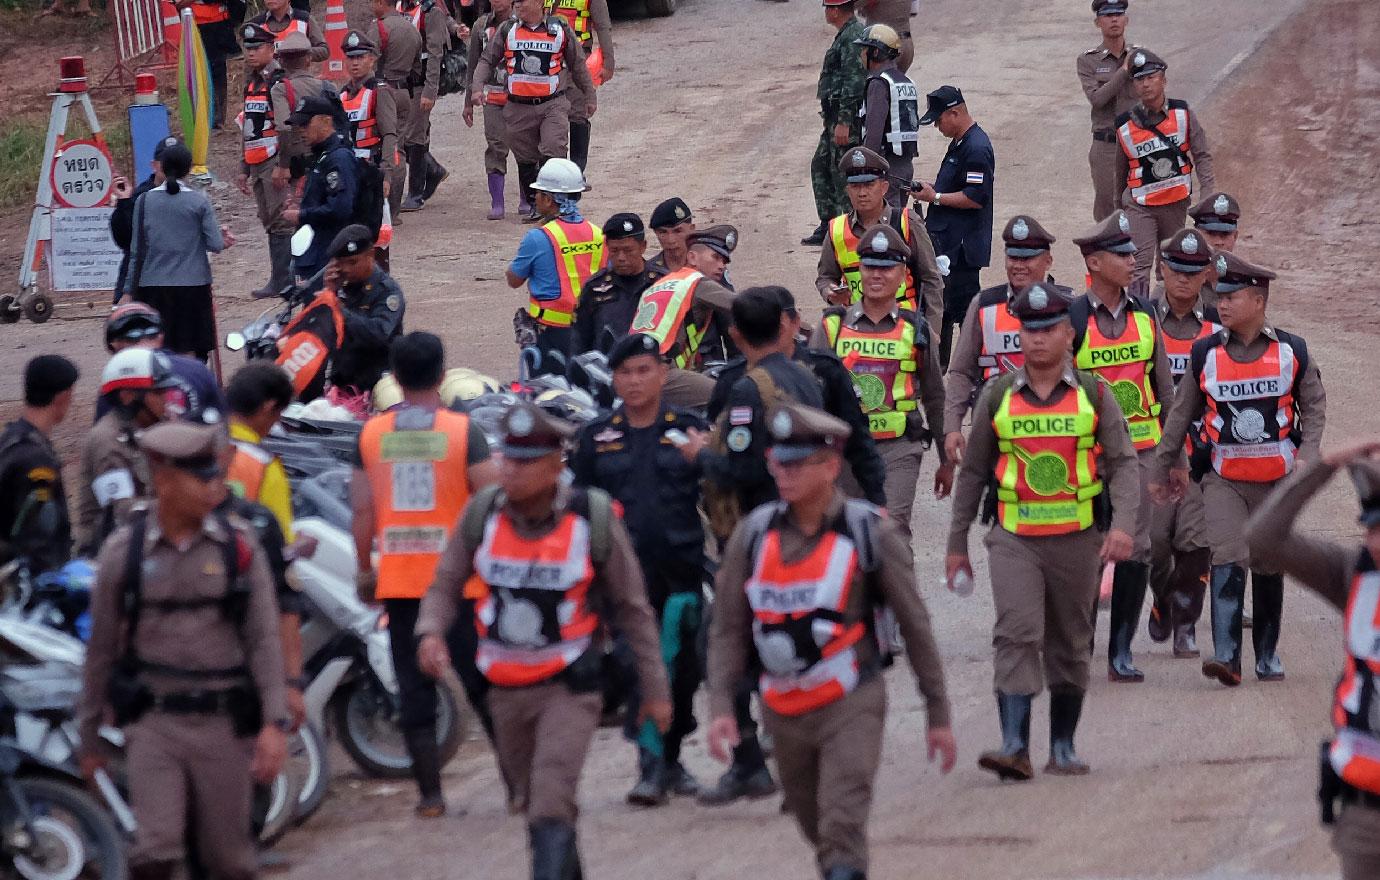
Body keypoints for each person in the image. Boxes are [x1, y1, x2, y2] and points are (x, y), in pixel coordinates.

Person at [416, 401, 670, 877]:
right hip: (504, 692)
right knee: (536, 805)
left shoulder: (589, 519)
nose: (511, 470)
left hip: (569, 688)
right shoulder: (482, 515)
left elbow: (633, 610)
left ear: (557, 465)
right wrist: (430, 631)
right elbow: (445, 583)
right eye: (507, 458)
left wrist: (655, 690)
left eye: (526, 461)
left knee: (551, 801)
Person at [707, 400, 955, 877]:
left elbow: (916, 625)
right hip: (781, 709)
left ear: (831, 466)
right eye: (778, 461)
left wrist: (938, 713)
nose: (784, 473)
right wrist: (721, 706)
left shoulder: (870, 534)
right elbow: (729, 627)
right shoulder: (753, 536)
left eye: (798, 463)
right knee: (814, 826)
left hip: (851, 703)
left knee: (841, 829)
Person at [77, 419, 289, 880]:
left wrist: (274, 723)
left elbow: (263, 639)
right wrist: (89, 737)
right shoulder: (123, 553)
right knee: (157, 849)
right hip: (154, 723)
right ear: (165, 478)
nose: (216, 487)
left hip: (223, 725)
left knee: (229, 861)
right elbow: (101, 651)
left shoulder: (238, 546)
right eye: (203, 477)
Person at [948, 282, 1139, 781]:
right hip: (1014, 538)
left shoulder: (1095, 394)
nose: (1036, 339)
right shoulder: (996, 396)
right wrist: (955, 544)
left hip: (1079, 540)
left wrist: (1122, 527)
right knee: (1017, 632)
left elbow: (1123, 464)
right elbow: (972, 474)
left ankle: (1062, 745)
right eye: (1028, 329)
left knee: (1071, 642)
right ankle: (1014, 745)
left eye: (1048, 329)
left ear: (1069, 333)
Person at [1150, 251, 1327, 686]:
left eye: (1232, 297)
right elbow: (1179, 414)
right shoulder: (1204, 352)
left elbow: (1314, 406)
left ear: (1259, 302)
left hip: (1276, 481)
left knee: (1268, 564)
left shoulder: (1292, 350)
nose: (1222, 304)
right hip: (1223, 479)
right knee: (1227, 556)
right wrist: (1164, 465)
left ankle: (1267, 655)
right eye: (1220, 296)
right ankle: (1227, 656)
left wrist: (1311, 452)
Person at [680, 291, 824, 808]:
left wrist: (700, 455)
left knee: (726, 649)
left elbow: (742, 469)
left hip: (758, 536)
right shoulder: (805, 377)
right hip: (802, 529)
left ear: (736, 335)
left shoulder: (747, 391)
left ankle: (749, 765)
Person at [352, 332, 498, 816]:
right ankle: (516, 784)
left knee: (413, 688)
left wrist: (363, 568)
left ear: (393, 378)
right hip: (462, 583)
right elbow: (489, 499)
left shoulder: (370, 435)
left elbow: (361, 510)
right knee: (483, 683)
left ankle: (431, 796)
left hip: (401, 583)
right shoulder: (463, 432)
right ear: (442, 375)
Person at [570, 333, 707, 805]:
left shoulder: (689, 430)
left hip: (682, 570)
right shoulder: (596, 437)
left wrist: (706, 457)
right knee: (638, 666)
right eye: (625, 373)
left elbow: (720, 493)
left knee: (685, 670)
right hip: (624, 579)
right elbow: (579, 506)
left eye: (644, 370)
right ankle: (650, 768)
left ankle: (671, 760)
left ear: (663, 373)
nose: (634, 381)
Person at [1245, 443, 1380, 880]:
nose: (1374, 542)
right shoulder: (1355, 575)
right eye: (1371, 528)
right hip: (1367, 815)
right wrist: (1325, 467)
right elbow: (1263, 538)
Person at [1069, 210, 1174, 682]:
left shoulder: (1147, 313)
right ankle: (1082, 640)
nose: (1134, 261)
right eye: (1123, 254)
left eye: (1134, 252)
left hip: (1143, 452)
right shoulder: (1070, 319)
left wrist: (1176, 457)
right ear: (1094, 262)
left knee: (1138, 549)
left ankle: (1120, 653)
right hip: (1087, 456)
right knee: (1088, 548)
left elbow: (1165, 389)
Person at [816, 224, 949, 538]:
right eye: (869, 267)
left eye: (887, 268)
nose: (877, 275)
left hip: (899, 449)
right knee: (843, 535)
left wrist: (946, 458)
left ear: (903, 274)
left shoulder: (916, 329)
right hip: (844, 451)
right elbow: (811, 394)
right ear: (859, 271)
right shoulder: (833, 325)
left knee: (891, 528)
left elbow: (935, 396)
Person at [711, 286, 888, 509]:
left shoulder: (820, 371)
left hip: (769, 511)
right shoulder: (735, 377)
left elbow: (858, 439)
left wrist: (699, 456)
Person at [1145, 229, 1219, 658]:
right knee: (1154, 543)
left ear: (1205, 275)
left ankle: (1186, 626)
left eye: (1193, 273)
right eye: (1176, 270)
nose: (1184, 281)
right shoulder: (1141, 319)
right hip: (1153, 449)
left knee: (1195, 542)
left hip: (1200, 452)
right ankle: (1162, 598)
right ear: (1162, 269)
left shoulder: (1216, 324)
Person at [942, 214, 1067, 464]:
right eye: (1013, 257)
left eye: (1028, 258)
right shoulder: (984, 305)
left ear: (1048, 261)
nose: (1018, 265)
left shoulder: (1069, 306)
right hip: (994, 428)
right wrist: (952, 426)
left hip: (1054, 426)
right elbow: (961, 372)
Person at [469, 0, 598, 222]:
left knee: (554, 148)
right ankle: (534, 204)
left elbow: (577, 65)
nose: (517, 5)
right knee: (526, 158)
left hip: (552, 104)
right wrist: (476, 88)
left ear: (539, 2)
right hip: (518, 107)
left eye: (522, 1)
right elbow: (486, 60)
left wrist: (589, 95)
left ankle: (559, 204)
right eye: (516, 2)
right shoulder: (508, 30)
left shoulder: (559, 29)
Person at [1113, 49, 1216, 294]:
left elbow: (1202, 155)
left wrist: (1208, 197)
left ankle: (1167, 317)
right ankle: (1139, 319)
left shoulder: (1183, 114)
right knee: (1139, 265)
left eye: (1151, 77)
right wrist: (1119, 208)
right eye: (1139, 79)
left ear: (1164, 80)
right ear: (1134, 86)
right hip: (1140, 205)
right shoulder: (1125, 126)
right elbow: (1120, 169)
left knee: (1173, 265)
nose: (1146, 84)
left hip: (1175, 203)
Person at [122, 142, 233, 363]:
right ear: (189, 169)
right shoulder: (199, 201)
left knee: (156, 348)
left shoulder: (144, 200)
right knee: (191, 350)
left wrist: (127, 291)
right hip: (193, 287)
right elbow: (215, 244)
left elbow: (136, 251)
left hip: (152, 287)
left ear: (161, 166)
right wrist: (222, 239)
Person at [816, 145, 944, 333]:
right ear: (847, 190)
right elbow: (825, 277)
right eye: (855, 186)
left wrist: (932, 333)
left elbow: (931, 279)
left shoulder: (906, 222)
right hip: (855, 330)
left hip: (904, 329)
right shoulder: (836, 229)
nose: (862, 193)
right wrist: (830, 292)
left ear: (883, 187)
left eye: (869, 185)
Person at [914, 85, 995, 366]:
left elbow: (975, 198)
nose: (937, 126)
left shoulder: (976, 148)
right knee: (944, 309)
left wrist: (934, 196)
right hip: (949, 243)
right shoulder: (961, 142)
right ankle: (942, 368)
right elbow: (955, 186)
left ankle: (975, 367)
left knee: (966, 313)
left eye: (939, 120)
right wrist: (932, 189)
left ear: (956, 112)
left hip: (962, 249)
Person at [75, 350, 176, 557]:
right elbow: (121, 512)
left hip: (144, 546)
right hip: (107, 556)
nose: (166, 399)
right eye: (158, 392)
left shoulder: (150, 429)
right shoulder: (107, 441)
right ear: (128, 396)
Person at [506, 158, 604, 370]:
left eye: (539, 194)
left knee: (547, 397)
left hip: (550, 333)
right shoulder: (598, 234)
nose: (535, 198)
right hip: (589, 331)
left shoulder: (538, 238)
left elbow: (514, 280)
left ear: (549, 200)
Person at [629, 225, 738, 409]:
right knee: (737, 397)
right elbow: (749, 307)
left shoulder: (665, 282)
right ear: (692, 257)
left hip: (635, 370)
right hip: (659, 372)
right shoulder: (697, 282)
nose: (721, 266)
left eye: (725, 262)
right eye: (716, 257)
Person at [0, 356, 79, 573]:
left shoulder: (11, 438)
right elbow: (38, 537)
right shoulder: (35, 460)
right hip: (26, 585)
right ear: (63, 396)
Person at [237, 24, 295, 300]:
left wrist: (284, 165)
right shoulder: (252, 82)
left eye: (256, 48)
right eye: (247, 49)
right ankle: (280, 278)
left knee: (282, 220)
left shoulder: (277, 81)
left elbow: (285, 128)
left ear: (271, 49)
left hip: (274, 160)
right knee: (270, 221)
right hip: (257, 160)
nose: (250, 54)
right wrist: (242, 168)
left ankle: (285, 280)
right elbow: (247, 127)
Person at [804, 0, 867, 247]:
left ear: (834, 10)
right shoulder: (847, 34)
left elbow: (854, 82)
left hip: (843, 120)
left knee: (841, 173)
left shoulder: (852, 36)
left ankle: (849, 227)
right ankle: (828, 224)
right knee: (821, 165)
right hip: (833, 118)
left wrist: (845, 122)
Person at [102, 303, 226, 424]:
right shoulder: (197, 369)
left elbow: (104, 435)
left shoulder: (116, 382)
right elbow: (223, 423)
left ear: (113, 346)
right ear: (160, 337)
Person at [283, 95, 359, 282]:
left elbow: (340, 209)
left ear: (326, 121)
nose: (301, 130)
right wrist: (300, 204)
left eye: (306, 124)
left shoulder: (338, 158)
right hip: (315, 252)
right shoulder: (321, 156)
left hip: (328, 255)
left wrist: (302, 215)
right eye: (299, 125)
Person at [324, 225, 407, 394]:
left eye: (352, 262)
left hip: (378, 381)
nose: (346, 269)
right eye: (340, 264)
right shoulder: (340, 287)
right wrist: (328, 294)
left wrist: (340, 310)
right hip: (343, 379)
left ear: (370, 255)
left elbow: (379, 333)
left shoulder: (387, 291)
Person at [1077, 0, 1137, 221]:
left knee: (1142, 208)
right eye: (1108, 15)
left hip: (1138, 143)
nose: (1114, 19)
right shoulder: (1088, 60)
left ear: (1126, 20)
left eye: (1119, 14)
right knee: (1108, 212)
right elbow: (1097, 99)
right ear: (1097, 22)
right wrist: (1124, 71)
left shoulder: (1141, 57)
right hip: (1107, 146)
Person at [572, 212, 665, 354]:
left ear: (643, 247)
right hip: (607, 371)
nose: (621, 257)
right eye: (614, 250)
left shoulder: (663, 283)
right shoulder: (595, 288)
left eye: (628, 250)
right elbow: (580, 341)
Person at [224, 363, 296, 540]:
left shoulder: (197, 446)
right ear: (269, 407)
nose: (277, 421)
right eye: (279, 412)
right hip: (248, 561)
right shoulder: (262, 465)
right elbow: (281, 540)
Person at [465, 0, 522, 220]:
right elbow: (474, 65)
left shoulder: (523, 23)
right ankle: (497, 202)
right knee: (496, 146)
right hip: (492, 96)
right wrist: (469, 100)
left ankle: (527, 199)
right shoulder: (481, 26)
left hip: (521, 97)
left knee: (523, 147)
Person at [546, 0, 615, 172]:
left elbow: (603, 26)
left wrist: (608, 62)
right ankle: (552, 170)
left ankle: (576, 172)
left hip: (577, 61)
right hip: (547, 59)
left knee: (578, 115)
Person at [854, 24, 918, 207]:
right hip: (905, 167)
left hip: (885, 168)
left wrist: (863, 168)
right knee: (897, 221)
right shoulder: (905, 81)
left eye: (865, 49)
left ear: (876, 52)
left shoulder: (878, 83)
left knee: (883, 227)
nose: (862, 54)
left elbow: (874, 132)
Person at [397, 0, 451, 212]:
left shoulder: (431, 12)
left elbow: (435, 54)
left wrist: (430, 90)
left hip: (420, 84)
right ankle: (433, 170)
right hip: (401, 84)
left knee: (414, 137)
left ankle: (415, 194)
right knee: (401, 136)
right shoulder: (397, 9)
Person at [369, 0, 423, 213]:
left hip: (383, 90)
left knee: (383, 145)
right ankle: (395, 208)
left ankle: (384, 207)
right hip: (404, 92)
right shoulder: (412, 29)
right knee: (398, 147)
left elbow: (367, 60)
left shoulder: (379, 27)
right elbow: (418, 67)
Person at [341, 31, 401, 219]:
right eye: (350, 58)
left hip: (372, 169)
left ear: (372, 59)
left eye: (360, 57)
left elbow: (390, 135)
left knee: (376, 234)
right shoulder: (342, 94)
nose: (355, 63)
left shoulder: (379, 91)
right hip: (348, 171)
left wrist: (386, 174)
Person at [268, 32, 335, 189]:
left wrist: (283, 165)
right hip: (328, 155)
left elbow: (284, 128)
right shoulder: (328, 87)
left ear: (282, 61)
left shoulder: (281, 89)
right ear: (309, 59)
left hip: (299, 158)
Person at [110, 138, 172, 303]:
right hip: (142, 283)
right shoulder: (140, 196)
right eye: (167, 161)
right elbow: (125, 240)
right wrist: (125, 203)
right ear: (155, 165)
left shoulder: (191, 199)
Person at [176, 0, 241, 129]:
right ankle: (201, 116)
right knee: (198, 72)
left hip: (220, 24)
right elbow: (179, 4)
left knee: (218, 72)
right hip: (195, 25)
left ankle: (218, 118)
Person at [1187, 191, 1241, 307]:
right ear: (1196, 234)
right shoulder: (1179, 280)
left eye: (1224, 235)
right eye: (1211, 234)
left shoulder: (1244, 283)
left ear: (1235, 236)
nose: (1218, 242)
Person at [247, 0, 327, 58]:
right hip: (267, 78)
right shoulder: (256, 25)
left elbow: (324, 50)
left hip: (297, 76)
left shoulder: (304, 19)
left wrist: (301, 53)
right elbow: (249, 61)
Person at [857, 0, 914, 72]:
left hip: (884, 47)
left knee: (878, 81)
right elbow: (913, 11)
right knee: (895, 81)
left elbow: (849, 4)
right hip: (906, 43)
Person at [646, 197, 695, 274]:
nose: (671, 240)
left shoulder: (709, 266)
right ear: (656, 233)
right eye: (663, 232)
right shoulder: (649, 272)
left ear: (692, 229)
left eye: (678, 231)